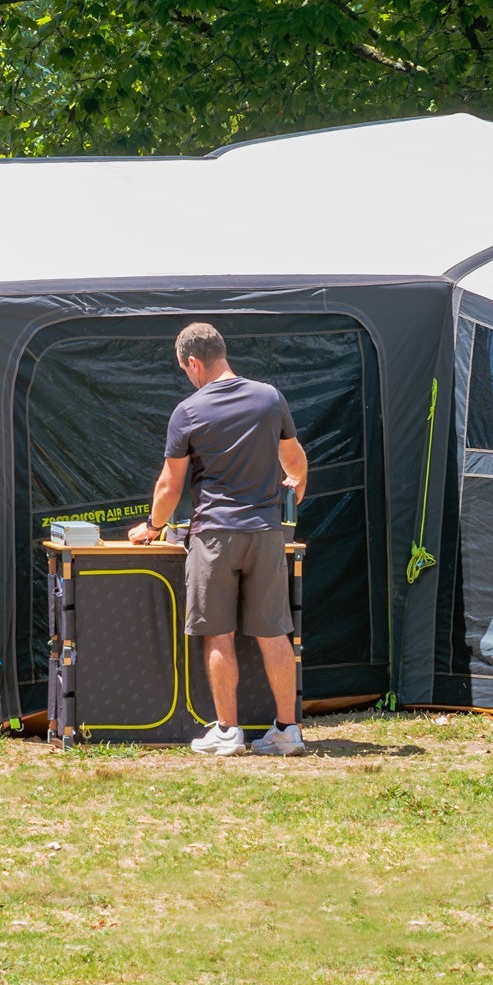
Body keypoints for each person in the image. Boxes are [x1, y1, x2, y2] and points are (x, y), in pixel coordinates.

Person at [127, 322, 310, 757]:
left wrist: (151, 528)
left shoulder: (188, 411)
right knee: (275, 633)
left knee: (219, 635)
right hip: (266, 534)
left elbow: (170, 486)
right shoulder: (270, 397)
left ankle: (228, 733)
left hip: (213, 536)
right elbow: (294, 458)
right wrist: (297, 483)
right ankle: (288, 732)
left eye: (185, 369)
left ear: (194, 361)